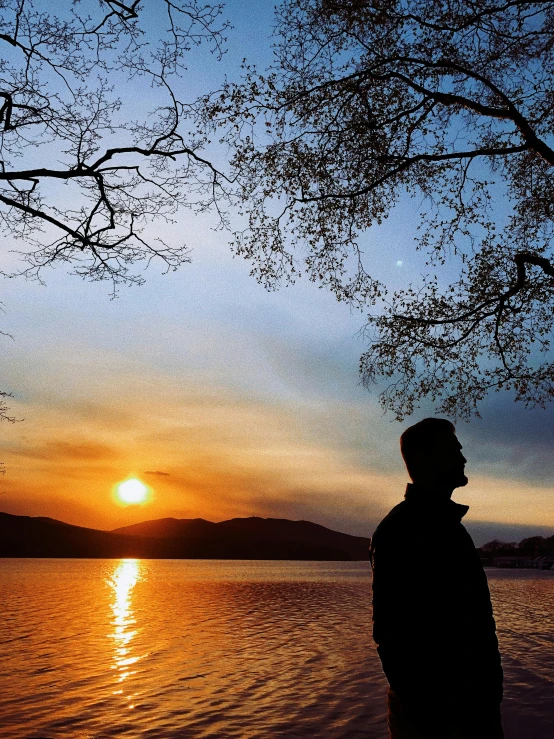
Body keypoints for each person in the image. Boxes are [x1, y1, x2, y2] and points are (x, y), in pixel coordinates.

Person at [369, 418, 503, 739]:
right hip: (440, 716)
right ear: (426, 457)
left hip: (471, 706)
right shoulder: (403, 530)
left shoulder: (445, 525)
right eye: (454, 450)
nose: (463, 459)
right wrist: (432, 713)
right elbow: (392, 635)